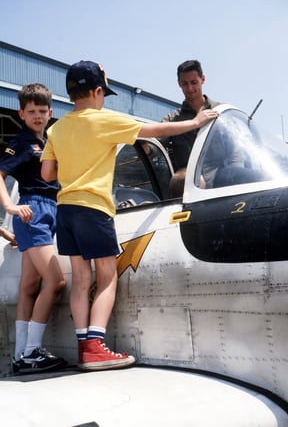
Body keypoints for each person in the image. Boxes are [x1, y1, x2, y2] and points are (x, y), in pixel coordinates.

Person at [40, 60, 218, 372]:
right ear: (97, 92)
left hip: (64, 210)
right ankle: (95, 347)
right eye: (103, 94)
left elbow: (47, 172)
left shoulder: (56, 128)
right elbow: (155, 130)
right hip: (94, 208)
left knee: (81, 280)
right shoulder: (104, 120)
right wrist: (195, 123)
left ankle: (84, 346)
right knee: (107, 277)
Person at [0, 83, 66, 373]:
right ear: (21, 114)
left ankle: (20, 357)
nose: (38, 116)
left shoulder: (50, 141)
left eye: (42, 111)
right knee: (56, 282)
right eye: (32, 112)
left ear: (50, 112)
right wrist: (10, 207)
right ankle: (31, 351)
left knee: (29, 287)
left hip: (49, 210)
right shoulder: (25, 143)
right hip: (33, 210)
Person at [161, 60, 221, 195]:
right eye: (184, 84)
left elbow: (236, 150)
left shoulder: (221, 112)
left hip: (222, 182)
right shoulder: (172, 120)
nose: (189, 89)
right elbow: (153, 144)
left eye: (194, 82)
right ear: (179, 83)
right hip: (190, 188)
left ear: (203, 79)